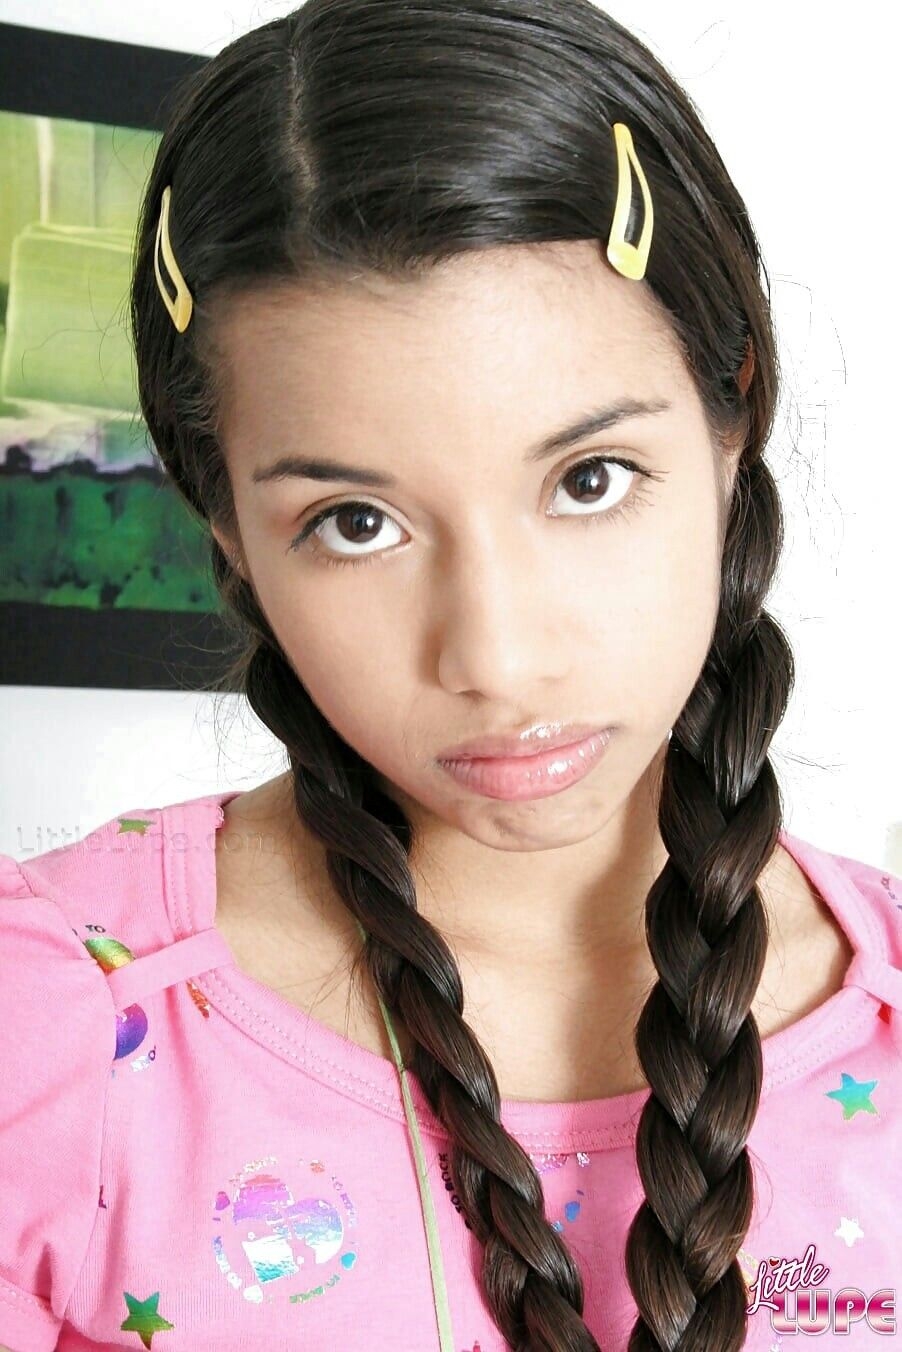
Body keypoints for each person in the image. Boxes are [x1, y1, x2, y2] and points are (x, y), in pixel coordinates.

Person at [1, 1, 900, 1349]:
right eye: (355, 522)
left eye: (589, 481)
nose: (496, 657)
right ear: (227, 529)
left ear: (732, 420)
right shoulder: (51, 1025)